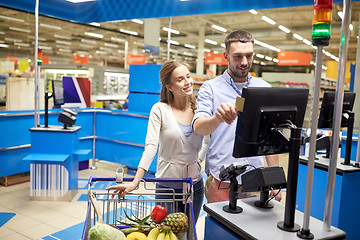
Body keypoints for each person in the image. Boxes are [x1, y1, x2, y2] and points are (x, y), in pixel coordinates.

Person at [106, 60, 208, 224]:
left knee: (189, 232)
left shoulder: (200, 108)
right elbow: (151, 146)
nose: (188, 82)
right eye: (180, 79)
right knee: (166, 232)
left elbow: (207, 139)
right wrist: (135, 181)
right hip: (167, 187)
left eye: (188, 76)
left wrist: (198, 160)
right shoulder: (159, 110)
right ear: (169, 87)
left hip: (194, 185)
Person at [193, 30, 282, 203]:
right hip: (221, 181)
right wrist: (217, 118)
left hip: (256, 180)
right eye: (238, 56)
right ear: (225, 55)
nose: (244, 62)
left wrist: (275, 179)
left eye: (249, 56)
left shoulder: (263, 88)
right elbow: (198, 127)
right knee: (221, 230)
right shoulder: (210, 88)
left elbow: (270, 138)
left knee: (254, 229)